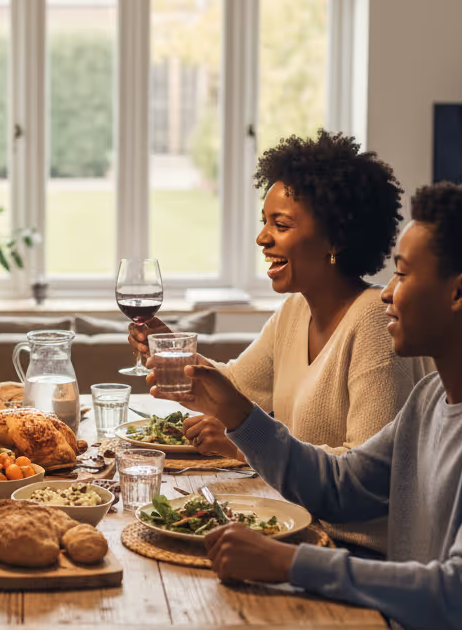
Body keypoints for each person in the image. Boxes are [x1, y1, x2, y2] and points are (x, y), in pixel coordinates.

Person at [154, 180, 462, 630]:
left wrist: (290, 562)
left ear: (461, 292)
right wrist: (241, 418)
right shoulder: (429, 400)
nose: (388, 295)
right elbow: (341, 486)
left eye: (402, 275)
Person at [131, 130, 431, 553]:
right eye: (264, 222)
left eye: (281, 224)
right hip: (294, 527)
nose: (262, 238)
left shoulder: (375, 325)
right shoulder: (296, 311)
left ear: (337, 239)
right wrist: (170, 348)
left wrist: (244, 448)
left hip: (351, 550)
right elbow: (235, 388)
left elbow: (364, 483)